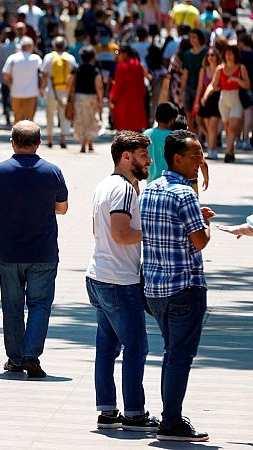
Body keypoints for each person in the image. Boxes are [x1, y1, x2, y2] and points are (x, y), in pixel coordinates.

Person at [139, 129, 212, 442]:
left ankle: (171, 416)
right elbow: (200, 241)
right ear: (177, 158)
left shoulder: (151, 189)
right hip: (184, 287)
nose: (200, 161)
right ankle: (171, 421)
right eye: (195, 155)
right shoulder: (185, 194)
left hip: (155, 288)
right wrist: (204, 223)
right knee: (179, 356)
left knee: (172, 353)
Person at [86, 131, 160, 432]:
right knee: (136, 348)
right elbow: (120, 233)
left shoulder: (105, 185)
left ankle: (107, 410)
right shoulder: (125, 190)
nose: (149, 161)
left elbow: (97, 230)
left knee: (106, 349)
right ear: (126, 157)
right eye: (144, 155)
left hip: (99, 275)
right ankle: (134, 413)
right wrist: (153, 232)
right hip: (118, 281)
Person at [0, 120, 68, 378]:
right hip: (43, 251)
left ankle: (14, 358)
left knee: (11, 307)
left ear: (12, 142)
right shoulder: (52, 171)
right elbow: (62, 208)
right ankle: (31, 354)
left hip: (9, 251)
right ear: (38, 143)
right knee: (40, 305)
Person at [202, 43, 250, 163]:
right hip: (223, 100)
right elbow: (213, 84)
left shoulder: (241, 68)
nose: (228, 56)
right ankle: (231, 150)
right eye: (227, 53)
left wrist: (236, 80)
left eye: (231, 53)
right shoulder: (220, 69)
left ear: (235, 55)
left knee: (233, 127)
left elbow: (247, 85)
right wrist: (205, 96)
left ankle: (228, 154)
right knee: (228, 129)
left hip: (236, 99)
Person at [41, 36, 77, 148]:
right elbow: (74, 76)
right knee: (64, 116)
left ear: (54, 46)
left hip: (52, 91)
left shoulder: (48, 57)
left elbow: (44, 75)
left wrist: (42, 88)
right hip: (66, 92)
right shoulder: (71, 58)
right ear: (65, 46)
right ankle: (63, 139)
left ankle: (50, 139)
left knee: (50, 116)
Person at [2, 37, 43, 124]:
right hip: (32, 93)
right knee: (29, 121)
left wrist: (10, 85)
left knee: (17, 119)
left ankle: (16, 136)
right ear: (31, 47)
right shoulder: (36, 58)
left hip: (16, 93)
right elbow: (42, 73)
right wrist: (41, 87)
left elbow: (5, 74)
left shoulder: (12, 58)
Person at [70, 46, 103, 152]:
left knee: (80, 120)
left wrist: (69, 96)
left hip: (79, 96)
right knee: (91, 119)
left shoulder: (76, 68)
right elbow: (99, 86)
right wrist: (100, 100)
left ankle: (83, 144)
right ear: (93, 57)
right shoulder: (95, 70)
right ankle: (89, 143)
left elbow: (70, 83)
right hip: (91, 97)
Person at [110, 46, 149, 132]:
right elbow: (142, 83)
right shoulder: (138, 64)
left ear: (125, 54)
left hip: (123, 100)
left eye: (119, 53)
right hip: (137, 99)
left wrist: (113, 98)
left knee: (124, 127)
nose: (118, 56)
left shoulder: (122, 66)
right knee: (136, 127)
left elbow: (118, 85)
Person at [195, 48, 221, 160]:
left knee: (213, 126)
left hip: (218, 98)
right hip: (206, 99)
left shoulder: (221, 68)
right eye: (209, 55)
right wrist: (197, 101)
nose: (211, 57)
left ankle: (212, 150)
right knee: (207, 125)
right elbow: (200, 87)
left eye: (213, 55)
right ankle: (212, 149)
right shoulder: (203, 70)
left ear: (217, 57)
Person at [144, 102, 179, 182]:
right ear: (172, 120)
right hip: (169, 182)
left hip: (151, 182)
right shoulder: (173, 136)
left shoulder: (146, 134)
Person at [181, 29, 207, 131]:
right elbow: (185, 74)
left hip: (202, 88)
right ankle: (191, 136)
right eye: (190, 37)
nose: (192, 39)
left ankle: (203, 136)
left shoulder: (206, 52)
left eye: (194, 37)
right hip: (189, 87)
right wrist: (182, 91)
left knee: (199, 116)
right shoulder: (187, 55)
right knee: (188, 115)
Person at [0, 28, 18, 126]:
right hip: (17, 77)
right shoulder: (18, 47)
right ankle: (14, 114)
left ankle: (7, 113)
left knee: (5, 96)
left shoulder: (2, 47)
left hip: (5, 76)